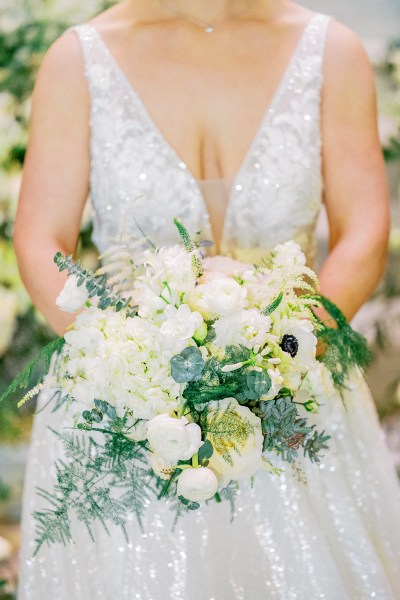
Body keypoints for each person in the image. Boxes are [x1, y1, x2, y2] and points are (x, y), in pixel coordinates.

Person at [14, 0, 400, 598]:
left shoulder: (331, 50)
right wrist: (129, 365)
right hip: (122, 405)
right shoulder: (80, 57)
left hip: (294, 392)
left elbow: (365, 230)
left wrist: (284, 350)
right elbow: (41, 239)